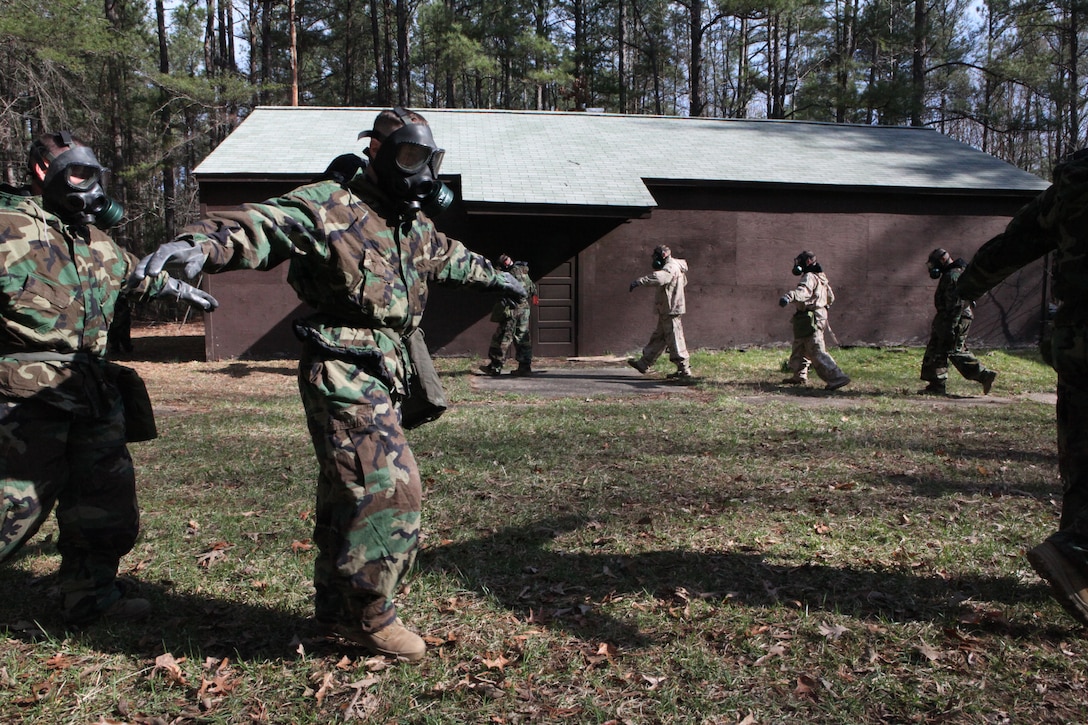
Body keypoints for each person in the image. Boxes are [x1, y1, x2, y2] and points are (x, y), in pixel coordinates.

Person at [134, 107, 526, 662]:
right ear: (377, 152)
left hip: (388, 366)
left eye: (430, 160)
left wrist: (499, 277)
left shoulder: (410, 224)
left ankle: (333, 609)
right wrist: (201, 246)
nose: (422, 173)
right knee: (390, 487)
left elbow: (451, 258)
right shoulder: (328, 206)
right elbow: (261, 225)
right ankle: (371, 615)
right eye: (410, 156)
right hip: (341, 368)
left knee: (344, 490)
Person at [0, 130, 219, 626]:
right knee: (12, 509)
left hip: (93, 393)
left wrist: (166, 285)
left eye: (93, 174)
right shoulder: (6, 227)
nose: (90, 186)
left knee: (104, 506)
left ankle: (90, 594)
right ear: (41, 171)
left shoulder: (94, 238)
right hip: (23, 398)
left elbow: (125, 282)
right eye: (77, 172)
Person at [956, 149, 1088, 627]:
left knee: (1081, 451)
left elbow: (1016, 241)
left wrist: (967, 284)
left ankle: (1076, 563)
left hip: (1077, 338)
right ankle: (1080, 552)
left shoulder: (1073, 186)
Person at [919, 248, 997, 396]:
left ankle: (984, 375)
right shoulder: (955, 273)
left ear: (943, 260)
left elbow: (956, 305)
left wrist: (951, 327)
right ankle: (936, 385)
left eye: (935, 264)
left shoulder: (953, 275)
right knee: (937, 349)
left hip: (955, 318)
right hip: (947, 318)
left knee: (954, 350)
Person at [778, 250, 850, 390]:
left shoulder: (809, 277)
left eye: (800, 262)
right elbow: (831, 297)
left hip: (811, 317)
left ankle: (837, 377)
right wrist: (823, 307)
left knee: (816, 349)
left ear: (808, 262)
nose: (797, 265)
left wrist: (789, 297)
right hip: (810, 317)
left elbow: (803, 292)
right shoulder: (821, 278)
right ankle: (799, 376)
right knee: (800, 347)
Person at [627, 245, 693, 380]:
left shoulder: (670, 267)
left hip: (671, 309)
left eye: (656, 256)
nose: (654, 259)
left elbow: (660, 278)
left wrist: (640, 281)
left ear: (663, 255)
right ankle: (644, 363)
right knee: (659, 337)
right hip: (667, 308)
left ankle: (684, 370)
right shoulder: (676, 266)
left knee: (675, 338)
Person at [480, 254, 537, 376]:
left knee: (502, 338)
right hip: (524, 309)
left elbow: (502, 286)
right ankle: (525, 367)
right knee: (522, 337)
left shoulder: (510, 274)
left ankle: (495, 367)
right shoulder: (524, 271)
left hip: (513, 309)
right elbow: (532, 289)